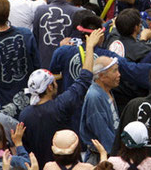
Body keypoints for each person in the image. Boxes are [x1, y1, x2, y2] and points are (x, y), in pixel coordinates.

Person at [19, 28, 101, 168]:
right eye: (54, 82)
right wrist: (89, 46)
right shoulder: (61, 106)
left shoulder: (25, 115)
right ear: (50, 87)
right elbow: (85, 78)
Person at [32, 0, 84, 69]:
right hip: (68, 68)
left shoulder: (40, 10)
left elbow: (35, 39)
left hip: (43, 68)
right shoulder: (80, 13)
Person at [79, 56, 121, 162]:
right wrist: (118, 154)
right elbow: (103, 132)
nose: (119, 74)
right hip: (101, 157)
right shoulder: (95, 97)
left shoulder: (106, 90)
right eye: (115, 71)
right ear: (101, 76)